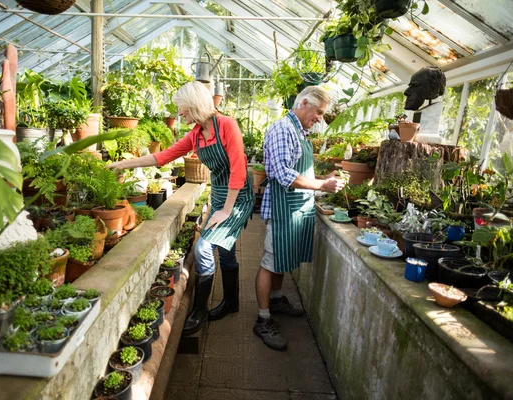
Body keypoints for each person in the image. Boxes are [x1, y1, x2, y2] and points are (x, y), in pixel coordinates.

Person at [108, 81, 254, 336]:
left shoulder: (226, 125)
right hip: (220, 193)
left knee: (204, 247)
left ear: (195, 105)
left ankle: (198, 311)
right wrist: (122, 165)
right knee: (225, 249)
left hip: (237, 197)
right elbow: (162, 157)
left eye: (182, 109)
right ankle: (232, 302)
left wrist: (227, 210)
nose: (180, 114)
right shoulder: (196, 135)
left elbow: (239, 169)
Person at [254, 86, 346, 351]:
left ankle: (278, 299)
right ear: (304, 103)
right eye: (318, 112)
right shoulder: (283, 129)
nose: (320, 118)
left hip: (296, 208)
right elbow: (282, 173)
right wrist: (321, 185)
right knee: (271, 262)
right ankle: (262, 319)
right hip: (283, 208)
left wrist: (322, 181)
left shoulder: (300, 131)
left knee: (283, 258)